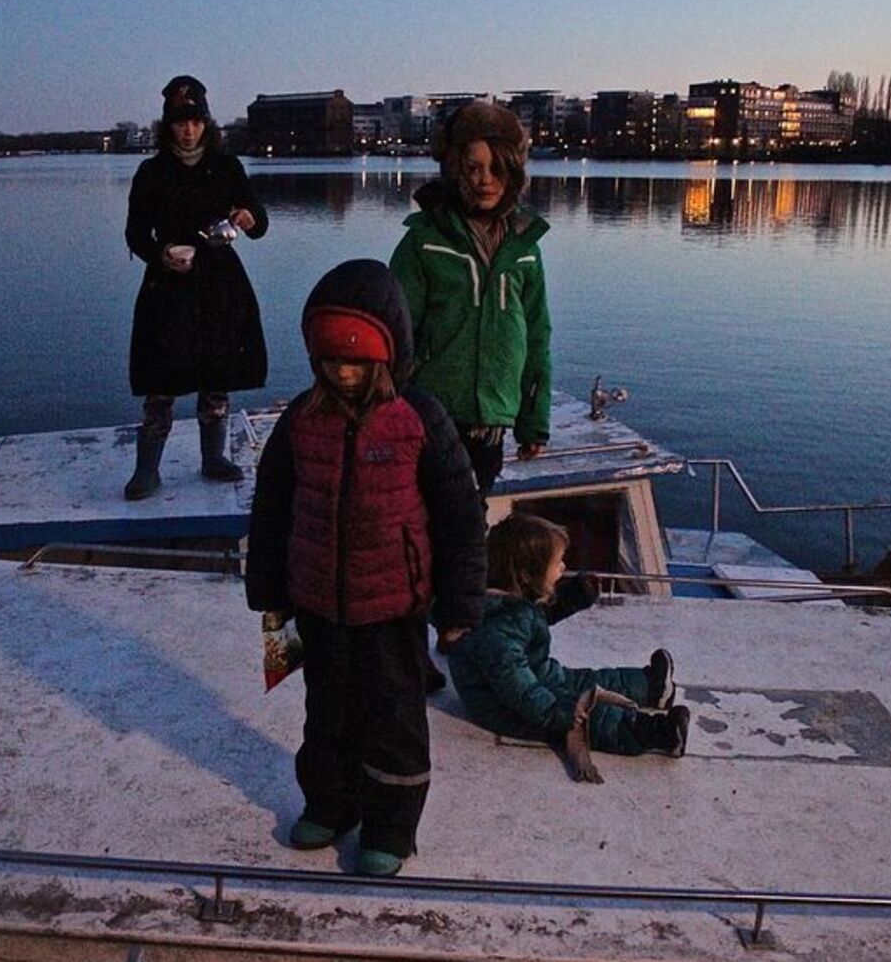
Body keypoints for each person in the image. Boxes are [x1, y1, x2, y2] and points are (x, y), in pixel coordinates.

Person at [245, 259, 485, 877]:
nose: (343, 373)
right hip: (317, 604)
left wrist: (459, 606)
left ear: (387, 356)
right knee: (326, 712)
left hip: (393, 609)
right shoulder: (301, 421)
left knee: (394, 720)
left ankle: (390, 828)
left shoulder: (419, 418)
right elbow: (272, 508)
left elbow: (461, 515)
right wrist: (269, 590)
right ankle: (330, 804)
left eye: (356, 361)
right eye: (331, 361)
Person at [390, 101, 552, 504]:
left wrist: (533, 423)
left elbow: (536, 337)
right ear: (454, 167)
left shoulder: (525, 248)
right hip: (431, 416)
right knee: (427, 518)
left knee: (470, 520)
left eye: (498, 168)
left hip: (490, 423)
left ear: (515, 171)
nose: (486, 180)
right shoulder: (424, 242)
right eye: (473, 167)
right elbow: (394, 335)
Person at [447, 513, 690, 777]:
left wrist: (576, 595)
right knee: (592, 717)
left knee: (585, 680)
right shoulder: (495, 633)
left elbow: (538, 617)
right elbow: (520, 691)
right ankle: (657, 733)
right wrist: (561, 712)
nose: (563, 567)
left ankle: (651, 686)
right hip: (506, 707)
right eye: (557, 562)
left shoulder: (511, 602)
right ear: (527, 574)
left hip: (536, 674)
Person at [123, 74, 268, 500]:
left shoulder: (227, 167)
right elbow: (135, 234)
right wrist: (161, 254)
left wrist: (249, 218)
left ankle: (214, 458)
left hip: (220, 283)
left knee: (217, 372)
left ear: (207, 123)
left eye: (195, 121)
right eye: (180, 122)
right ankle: (147, 470)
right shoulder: (151, 173)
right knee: (161, 379)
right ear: (167, 125)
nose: (188, 130)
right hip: (168, 286)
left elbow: (259, 223)